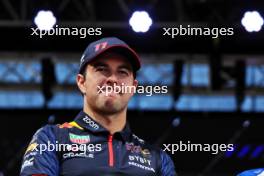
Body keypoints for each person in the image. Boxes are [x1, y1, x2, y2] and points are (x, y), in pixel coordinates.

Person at [20, 37, 177, 176]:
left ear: (133, 87)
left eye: (122, 72)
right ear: (82, 83)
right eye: (101, 69)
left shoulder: (158, 159)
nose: (113, 79)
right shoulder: (51, 138)